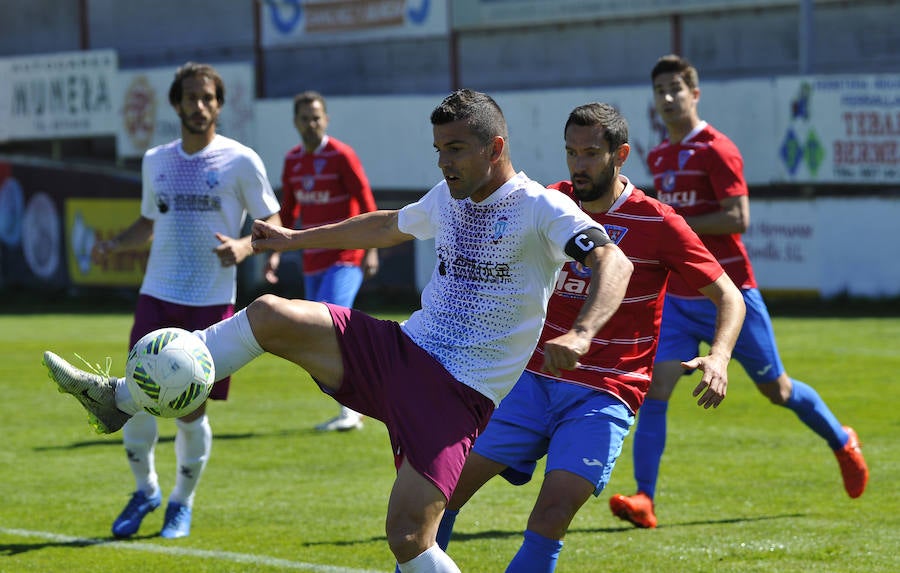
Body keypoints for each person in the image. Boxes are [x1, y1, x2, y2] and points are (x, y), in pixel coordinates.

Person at [43, 89, 634, 572]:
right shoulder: (451, 194)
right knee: (271, 312)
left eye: (455, 148)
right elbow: (385, 225)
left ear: (496, 146)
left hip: (457, 393)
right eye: (437, 150)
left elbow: (615, 262)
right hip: (401, 351)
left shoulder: (540, 208)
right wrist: (297, 240)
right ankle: (120, 400)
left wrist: (581, 335)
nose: (444, 162)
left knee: (409, 538)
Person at [430, 102, 745, 572]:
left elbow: (729, 296)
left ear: (621, 155)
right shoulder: (550, 202)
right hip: (531, 379)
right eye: (571, 153)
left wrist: (718, 357)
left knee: (552, 513)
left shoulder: (658, 221)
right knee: (442, 491)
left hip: (605, 392)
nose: (578, 165)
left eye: (591, 153)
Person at [609, 54, 869, 529]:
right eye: (660, 90)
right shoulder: (661, 155)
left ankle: (841, 439)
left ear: (694, 93)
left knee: (778, 390)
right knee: (657, 388)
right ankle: (645, 499)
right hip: (680, 299)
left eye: (675, 88)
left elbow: (738, 217)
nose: (667, 97)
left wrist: (677, 225)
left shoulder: (716, 148)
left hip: (731, 294)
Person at [88, 62, 281, 539]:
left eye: (208, 98)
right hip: (157, 296)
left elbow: (273, 226)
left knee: (191, 410)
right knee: (132, 398)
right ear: (176, 104)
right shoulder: (156, 159)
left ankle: (181, 502)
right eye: (190, 97)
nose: (199, 106)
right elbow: (147, 224)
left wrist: (243, 247)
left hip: (210, 305)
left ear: (219, 104)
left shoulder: (241, 160)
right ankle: (145, 489)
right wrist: (114, 245)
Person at [265, 90, 379, 432]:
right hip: (311, 261)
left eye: (316, 117)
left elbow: (365, 199)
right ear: (295, 122)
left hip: (346, 255)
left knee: (330, 324)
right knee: (325, 330)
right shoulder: (293, 161)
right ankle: (359, 399)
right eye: (304, 118)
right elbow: (288, 212)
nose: (311, 123)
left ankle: (354, 408)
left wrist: (371, 249)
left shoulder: (342, 154)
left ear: (326, 119)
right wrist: (273, 253)